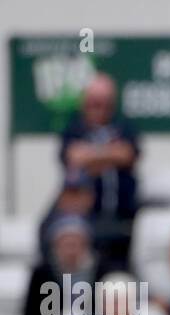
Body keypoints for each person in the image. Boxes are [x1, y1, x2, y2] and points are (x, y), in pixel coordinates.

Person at [60, 73, 141, 273]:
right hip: (86, 217)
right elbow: (73, 157)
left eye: (104, 103)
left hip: (123, 215)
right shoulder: (74, 128)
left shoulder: (123, 126)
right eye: (94, 103)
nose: (99, 109)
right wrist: (111, 154)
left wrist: (91, 156)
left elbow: (128, 154)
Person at [36, 167, 97, 264]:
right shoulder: (47, 224)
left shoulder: (100, 220)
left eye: (79, 194)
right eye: (69, 193)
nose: (73, 200)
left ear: (91, 197)